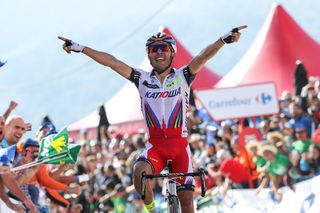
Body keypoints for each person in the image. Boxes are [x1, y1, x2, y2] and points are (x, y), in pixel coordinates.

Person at [59, 25, 246, 213]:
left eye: (164, 49)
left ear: (172, 53)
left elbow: (202, 57)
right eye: (153, 50)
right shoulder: (141, 79)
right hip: (155, 148)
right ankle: (151, 209)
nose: (158, 53)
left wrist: (223, 40)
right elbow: (113, 63)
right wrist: (81, 48)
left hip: (180, 148)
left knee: (187, 205)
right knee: (138, 172)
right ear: (148, 55)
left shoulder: (183, 76)